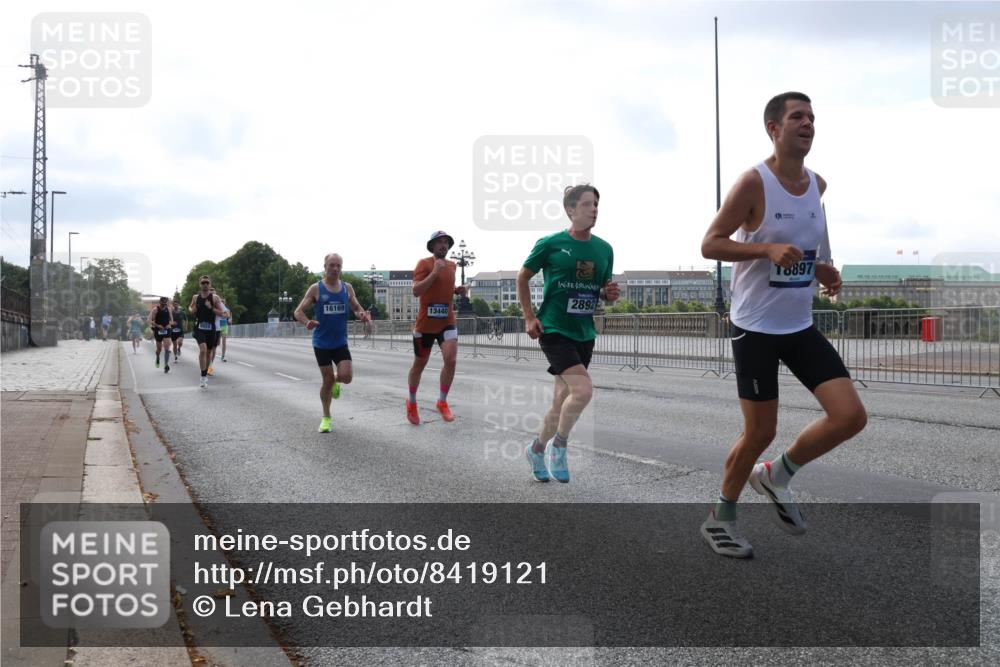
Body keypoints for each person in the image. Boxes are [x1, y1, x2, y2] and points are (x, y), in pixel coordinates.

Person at [698, 91, 867, 558]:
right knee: (759, 433)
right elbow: (710, 244)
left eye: (811, 117)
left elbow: (809, 246)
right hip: (755, 327)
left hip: (798, 324)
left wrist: (823, 270)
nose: (808, 123)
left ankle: (778, 475)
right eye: (797, 117)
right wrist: (764, 249)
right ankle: (720, 518)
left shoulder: (818, 185)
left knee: (850, 417)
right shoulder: (754, 182)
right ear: (773, 128)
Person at [517, 184, 618, 483]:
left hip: (583, 332)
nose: (594, 209)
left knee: (560, 402)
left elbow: (601, 289)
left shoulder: (604, 249)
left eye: (596, 204)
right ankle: (559, 447)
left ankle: (536, 449)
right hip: (554, 328)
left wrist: (609, 294)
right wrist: (529, 316)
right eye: (587, 204)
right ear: (570, 210)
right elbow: (523, 276)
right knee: (583, 391)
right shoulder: (550, 244)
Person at [293, 253, 372, 433]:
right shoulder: (316, 289)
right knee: (326, 380)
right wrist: (307, 322)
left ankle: (336, 380)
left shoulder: (347, 288)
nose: (335, 268)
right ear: (325, 266)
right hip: (321, 343)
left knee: (347, 377)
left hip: (340, 341)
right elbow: (298, 312)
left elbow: (357, 307)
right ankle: (326, 417)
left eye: (338, 266)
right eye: (332, 265)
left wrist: (362, 315)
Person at [405, 231, 467, 425]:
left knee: (451, 360)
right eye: (439, 242)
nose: (443, 245)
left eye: (446, 242)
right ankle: (412, 402)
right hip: (425, 324)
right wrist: (434, 272)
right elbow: (416, 291)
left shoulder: (452, 265)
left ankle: (442, 401)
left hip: (447, 321)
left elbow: (443, 288)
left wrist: (457, 291)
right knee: (419, 364)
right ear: (432, 246)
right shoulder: (424, 264)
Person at [188, 276, 226, 388]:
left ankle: (204, 374)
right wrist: (192, 309)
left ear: (210, 284)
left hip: (211, 329)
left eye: (207, 282)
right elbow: (190, 308)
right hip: (199, 328)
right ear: (200, 284)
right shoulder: (195, 297)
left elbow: (222, 313)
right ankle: (202, 376)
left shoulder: (215, 298)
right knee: (203, 349)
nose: (205, 284)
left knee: (209, 353)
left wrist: (211, 308)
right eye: (203, 283)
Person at [147, 297, 175, 373]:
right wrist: (157, 325)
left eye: (165, 304)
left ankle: (166, 365)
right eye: (162, 304)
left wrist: (169, 324)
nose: (164, 305)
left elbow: (171, 320)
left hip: (167, 330)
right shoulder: (155, 310)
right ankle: (158, 356)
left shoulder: (169, 309)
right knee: (159, 349)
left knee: (167, 348)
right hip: (158, 330)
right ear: (160, 303)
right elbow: (149, 320)